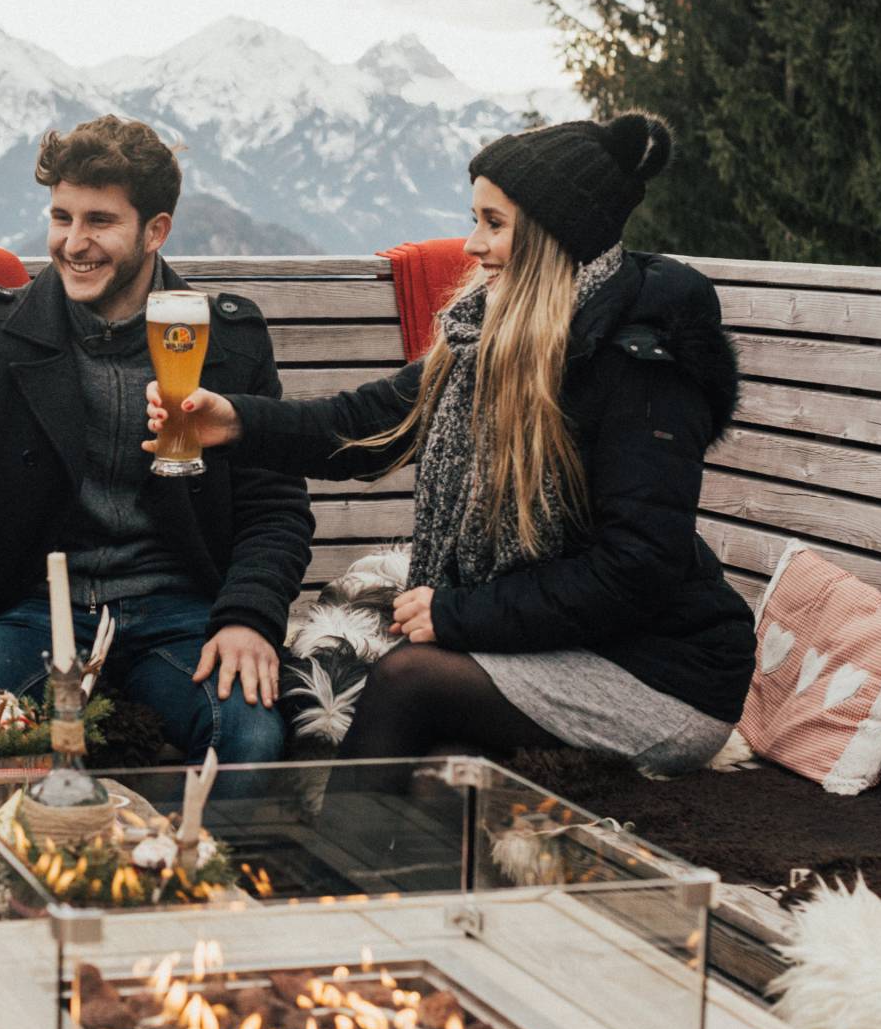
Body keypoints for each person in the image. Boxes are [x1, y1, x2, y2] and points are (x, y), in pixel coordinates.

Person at [147, 114, 755, 776]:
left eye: (494, 223)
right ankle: (366, 867)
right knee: (435, 755)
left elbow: (636, 568)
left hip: (661, 675)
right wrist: (235, 421)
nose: (472, 244)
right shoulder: (485, 344)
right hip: (571, 638)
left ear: (555, 235)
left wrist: (459, 612)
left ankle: (322, 876)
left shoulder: (643, 367)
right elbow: (364, 424)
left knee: (409, 679)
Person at [0, 115, 313, 763]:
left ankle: (182, 867)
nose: (73, 242)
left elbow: (276, 506)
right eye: (61, 216)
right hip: (30, 610)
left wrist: (248, 616)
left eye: (99, 220)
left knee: (248, 735)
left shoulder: (226, 343)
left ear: (156, 231)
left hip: (180, 613)